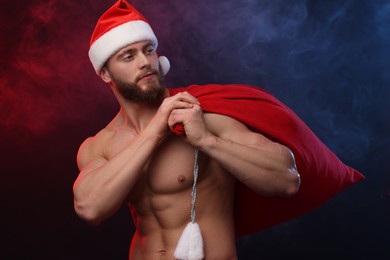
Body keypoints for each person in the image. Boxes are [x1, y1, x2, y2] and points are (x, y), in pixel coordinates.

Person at [73, 1, 363, 259]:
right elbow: (90, 209)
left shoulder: (206, 117)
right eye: (128, 56)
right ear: (104, 73)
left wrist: (207, 141)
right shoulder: (100, 145)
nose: (145, 62)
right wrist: (155, 130)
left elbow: (287, 180)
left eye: (148, 50)